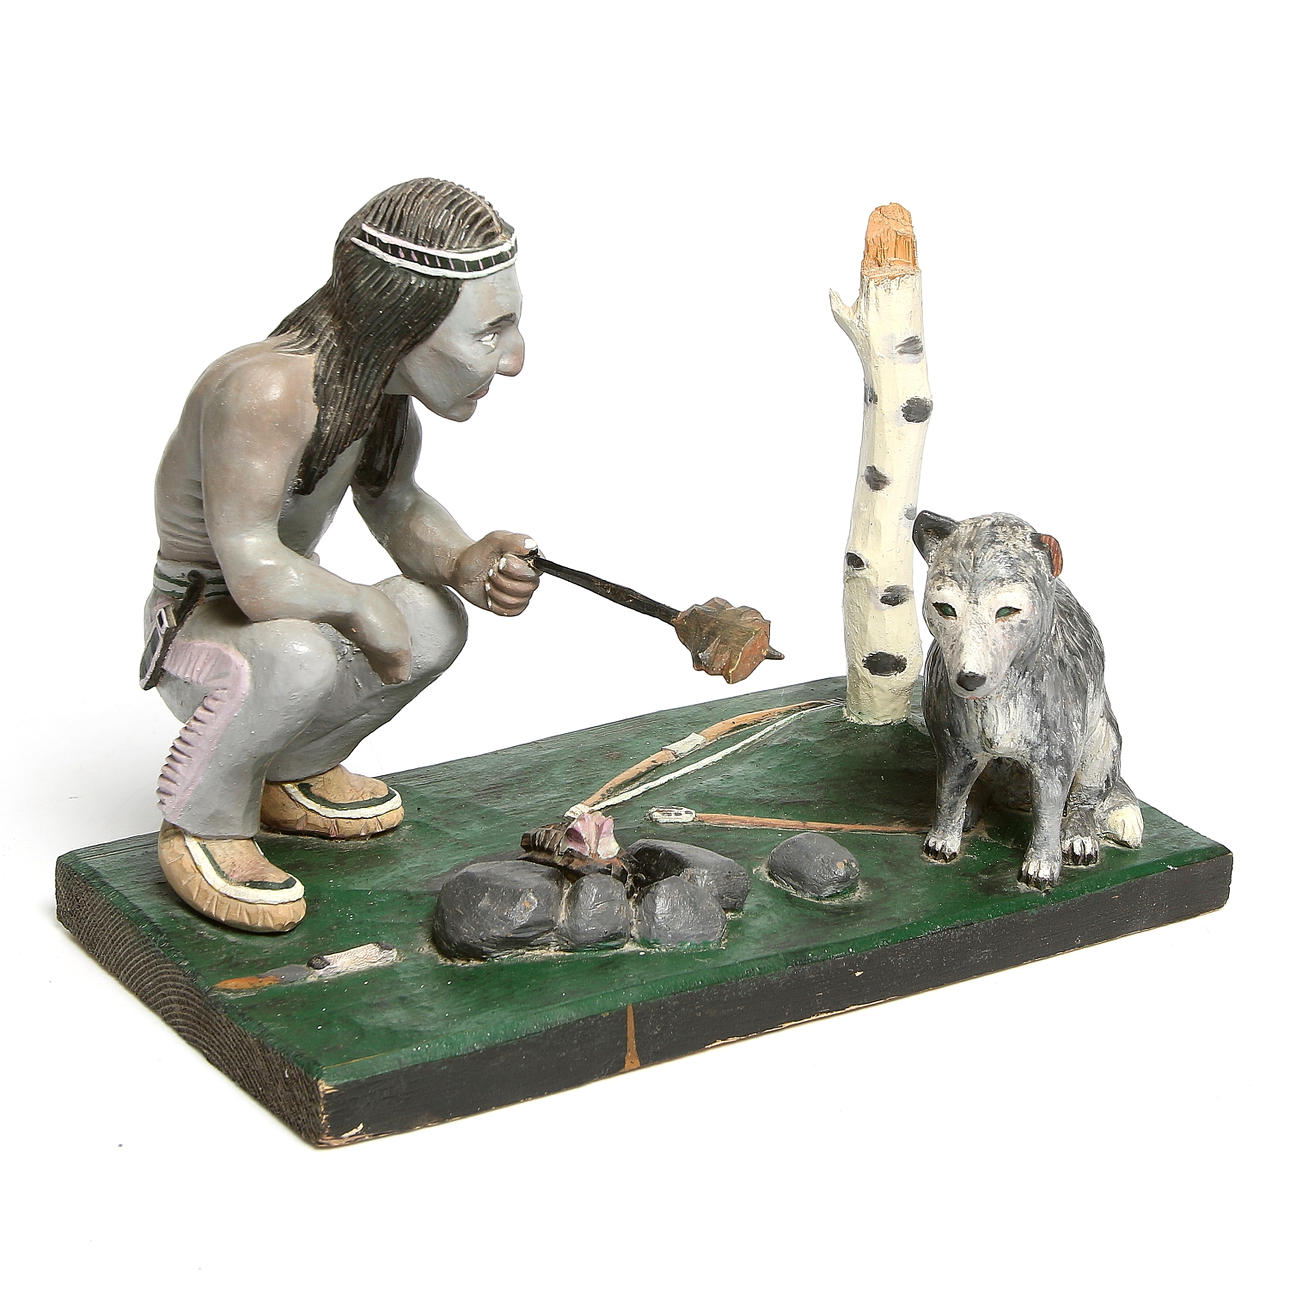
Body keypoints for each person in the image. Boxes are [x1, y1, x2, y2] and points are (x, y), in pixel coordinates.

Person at [145, 178, 539, 933]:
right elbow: (252, 568)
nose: (515, 358)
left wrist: (462, 560)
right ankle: (202, 817)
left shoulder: (383, 405)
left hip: (276, 619)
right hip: (196, 628)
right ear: (401, 320)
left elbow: (397, 505)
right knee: (298, 656)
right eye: (490, 333)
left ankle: (291, 772)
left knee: (432, 617)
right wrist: (358, 605)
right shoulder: (264, 391)